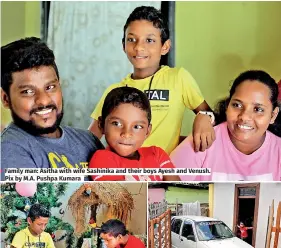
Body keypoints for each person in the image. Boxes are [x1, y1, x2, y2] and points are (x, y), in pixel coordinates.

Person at [89, 6, 215, 155]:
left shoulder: (178, 78)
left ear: (165, 46)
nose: (139, 47)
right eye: (131, 39)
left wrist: (203, 117)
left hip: (162, 173)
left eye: (149, 40)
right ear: (123, 45)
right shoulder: (114, 91)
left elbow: (210, 115)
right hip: (124, 173)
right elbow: (90, 139)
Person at [1, 37, 103, 179]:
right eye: (28, 92)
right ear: (6, 98)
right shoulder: (10, 149)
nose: (43, 100)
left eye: (50, 87)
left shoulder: (88, 140)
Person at [171, 70, 281, 181]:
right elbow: (164, 185)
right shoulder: (203, 140)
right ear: (227, 106)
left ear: (273, 115)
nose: (244, 116)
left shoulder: (278, 151)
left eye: (258, 109)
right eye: (237, 105)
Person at [89, 86, 180, 181]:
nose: (127, 134)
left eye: (137, 127)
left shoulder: (157, 154)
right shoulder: (102, 159)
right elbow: (117, 195)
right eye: (117, 123)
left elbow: (178, 192)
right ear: (101, 125)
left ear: (147, 131)